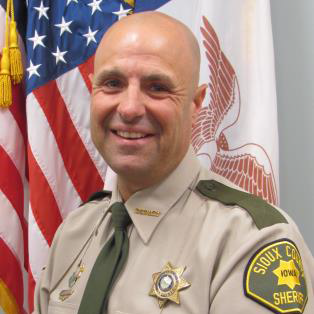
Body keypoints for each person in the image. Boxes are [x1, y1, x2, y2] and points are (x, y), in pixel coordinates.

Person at [33, 11, 314, 314]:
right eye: (112, 83)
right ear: (92, 91)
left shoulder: (250, 242)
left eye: (157, 87)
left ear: (196, 105)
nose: (128, 108)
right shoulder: (74, 233)